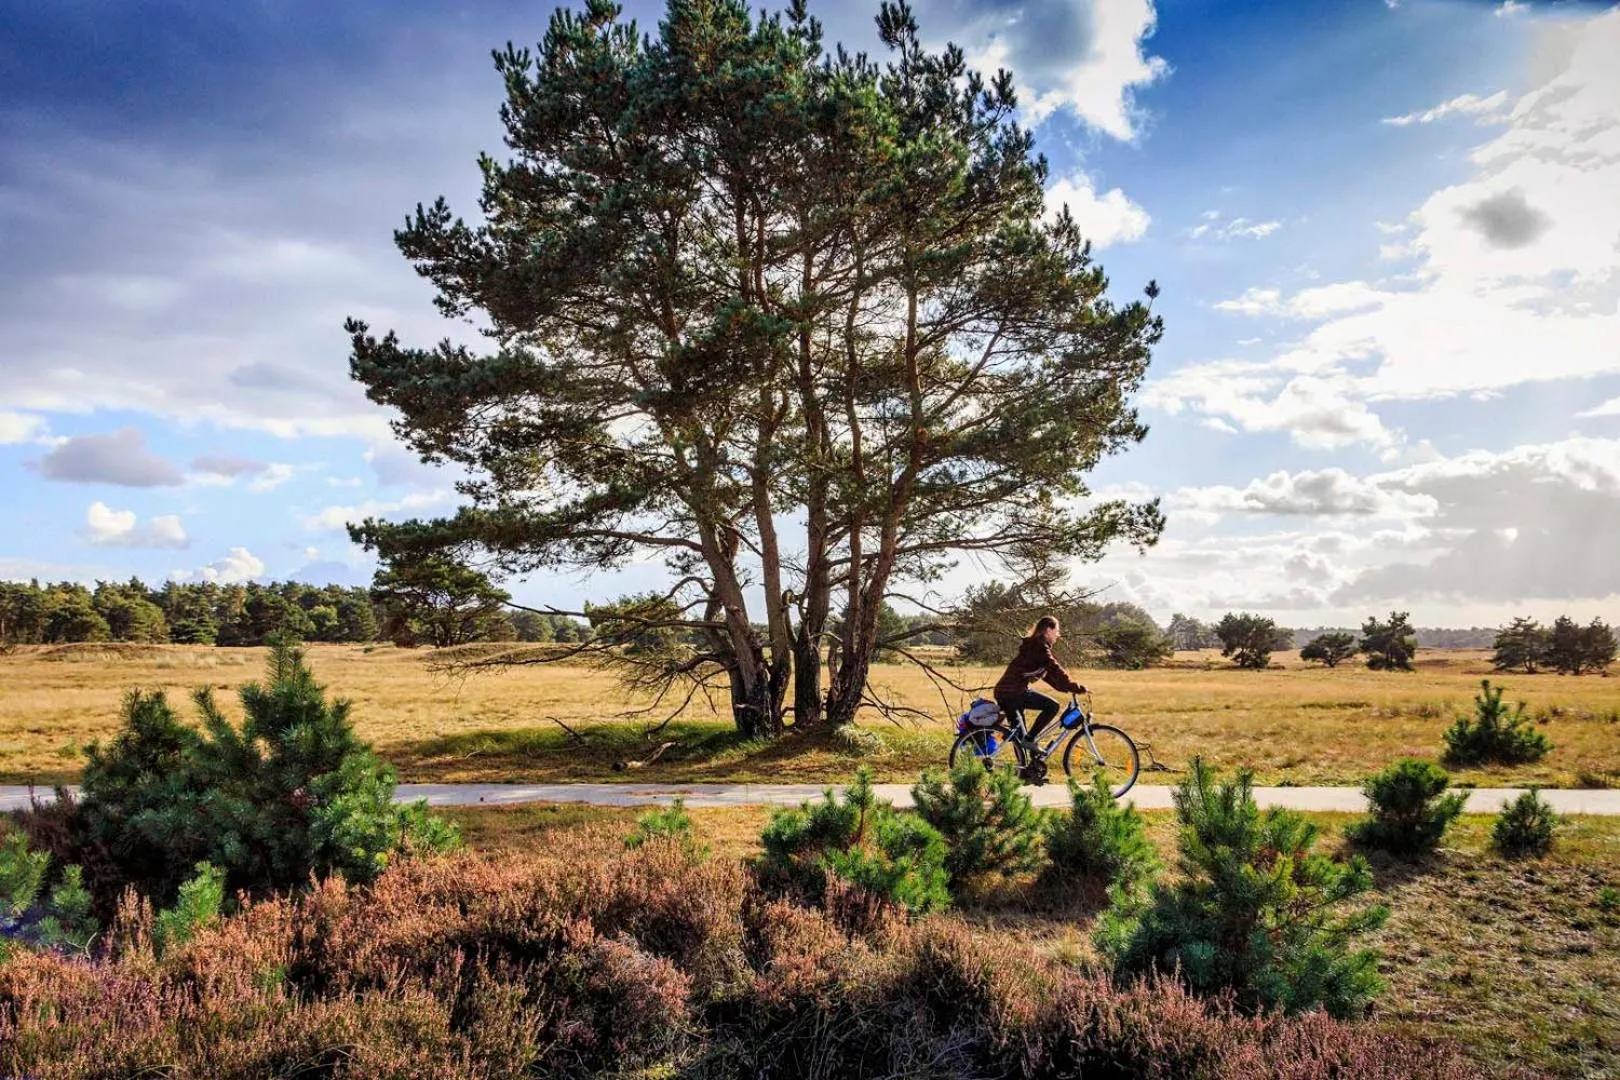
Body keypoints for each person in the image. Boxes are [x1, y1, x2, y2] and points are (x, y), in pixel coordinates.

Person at [993, 615, 1086, 742]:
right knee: (1052, 706)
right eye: (1057, 631)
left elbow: (1049, 676)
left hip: (1006, 692)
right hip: (1013, 692)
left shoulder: (1034, 646)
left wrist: (1068, 688)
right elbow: (1055, 668)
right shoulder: (1039, 647)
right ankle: (1031, 739)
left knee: (1019, 737)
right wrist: (1073, 685)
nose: (1058, 635)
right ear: (1048, 630)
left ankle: (1027, 759)